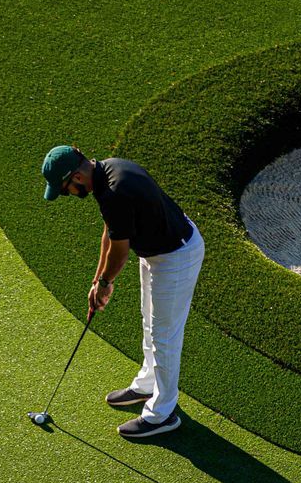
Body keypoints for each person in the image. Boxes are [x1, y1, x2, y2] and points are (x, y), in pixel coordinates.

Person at [40, 144, 204, 439]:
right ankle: (147, 384)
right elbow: (110, 231)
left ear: (76, 177)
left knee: (165, 336)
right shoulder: (107, 171)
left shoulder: (114, 192)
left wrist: (105, 285)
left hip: (176, 256)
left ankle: (162, 414)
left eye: (65, 190)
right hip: (157, 251)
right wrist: (97, 280)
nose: (69, 195)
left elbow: (120, 252)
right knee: (149, 323)